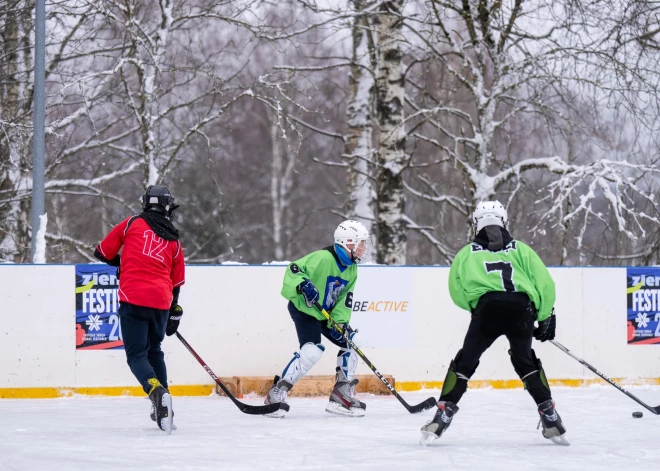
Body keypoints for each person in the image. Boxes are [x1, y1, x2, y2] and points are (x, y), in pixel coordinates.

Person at [420, 201, 568, 445]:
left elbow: (456, 291)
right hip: (521, 309)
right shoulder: (521, 249)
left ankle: (442, 414)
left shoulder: (466, 253)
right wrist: (544, 316)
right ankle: (550, 415)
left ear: (477, 223)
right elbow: (546, 285)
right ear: (504, 222)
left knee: (465, 361)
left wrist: (476, 308)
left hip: (487, 309)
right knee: (525, 360)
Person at [94, 185, 185, 434]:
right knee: (154, 350)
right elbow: (177, 283)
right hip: (161, 301)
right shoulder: (174, 239)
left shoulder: (132, 223)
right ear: (168, 207)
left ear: (146, 203)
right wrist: (173, 311)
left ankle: (155, 390)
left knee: (136, 355)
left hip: (133, 297)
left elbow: (102, 251)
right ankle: (166, 408)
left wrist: (122, 262)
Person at [265, 220, 371, 417]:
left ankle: (341, 394)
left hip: (326, 314)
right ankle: (276, 393)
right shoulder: (322, 258)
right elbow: (294, 270)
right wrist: (303, 285)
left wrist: (339, 321)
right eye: (360, 243)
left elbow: (343, 300)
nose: (363, 248)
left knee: (353, 341)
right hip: (305, 309)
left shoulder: (352, 269)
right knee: (312, 351)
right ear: (347, 242)